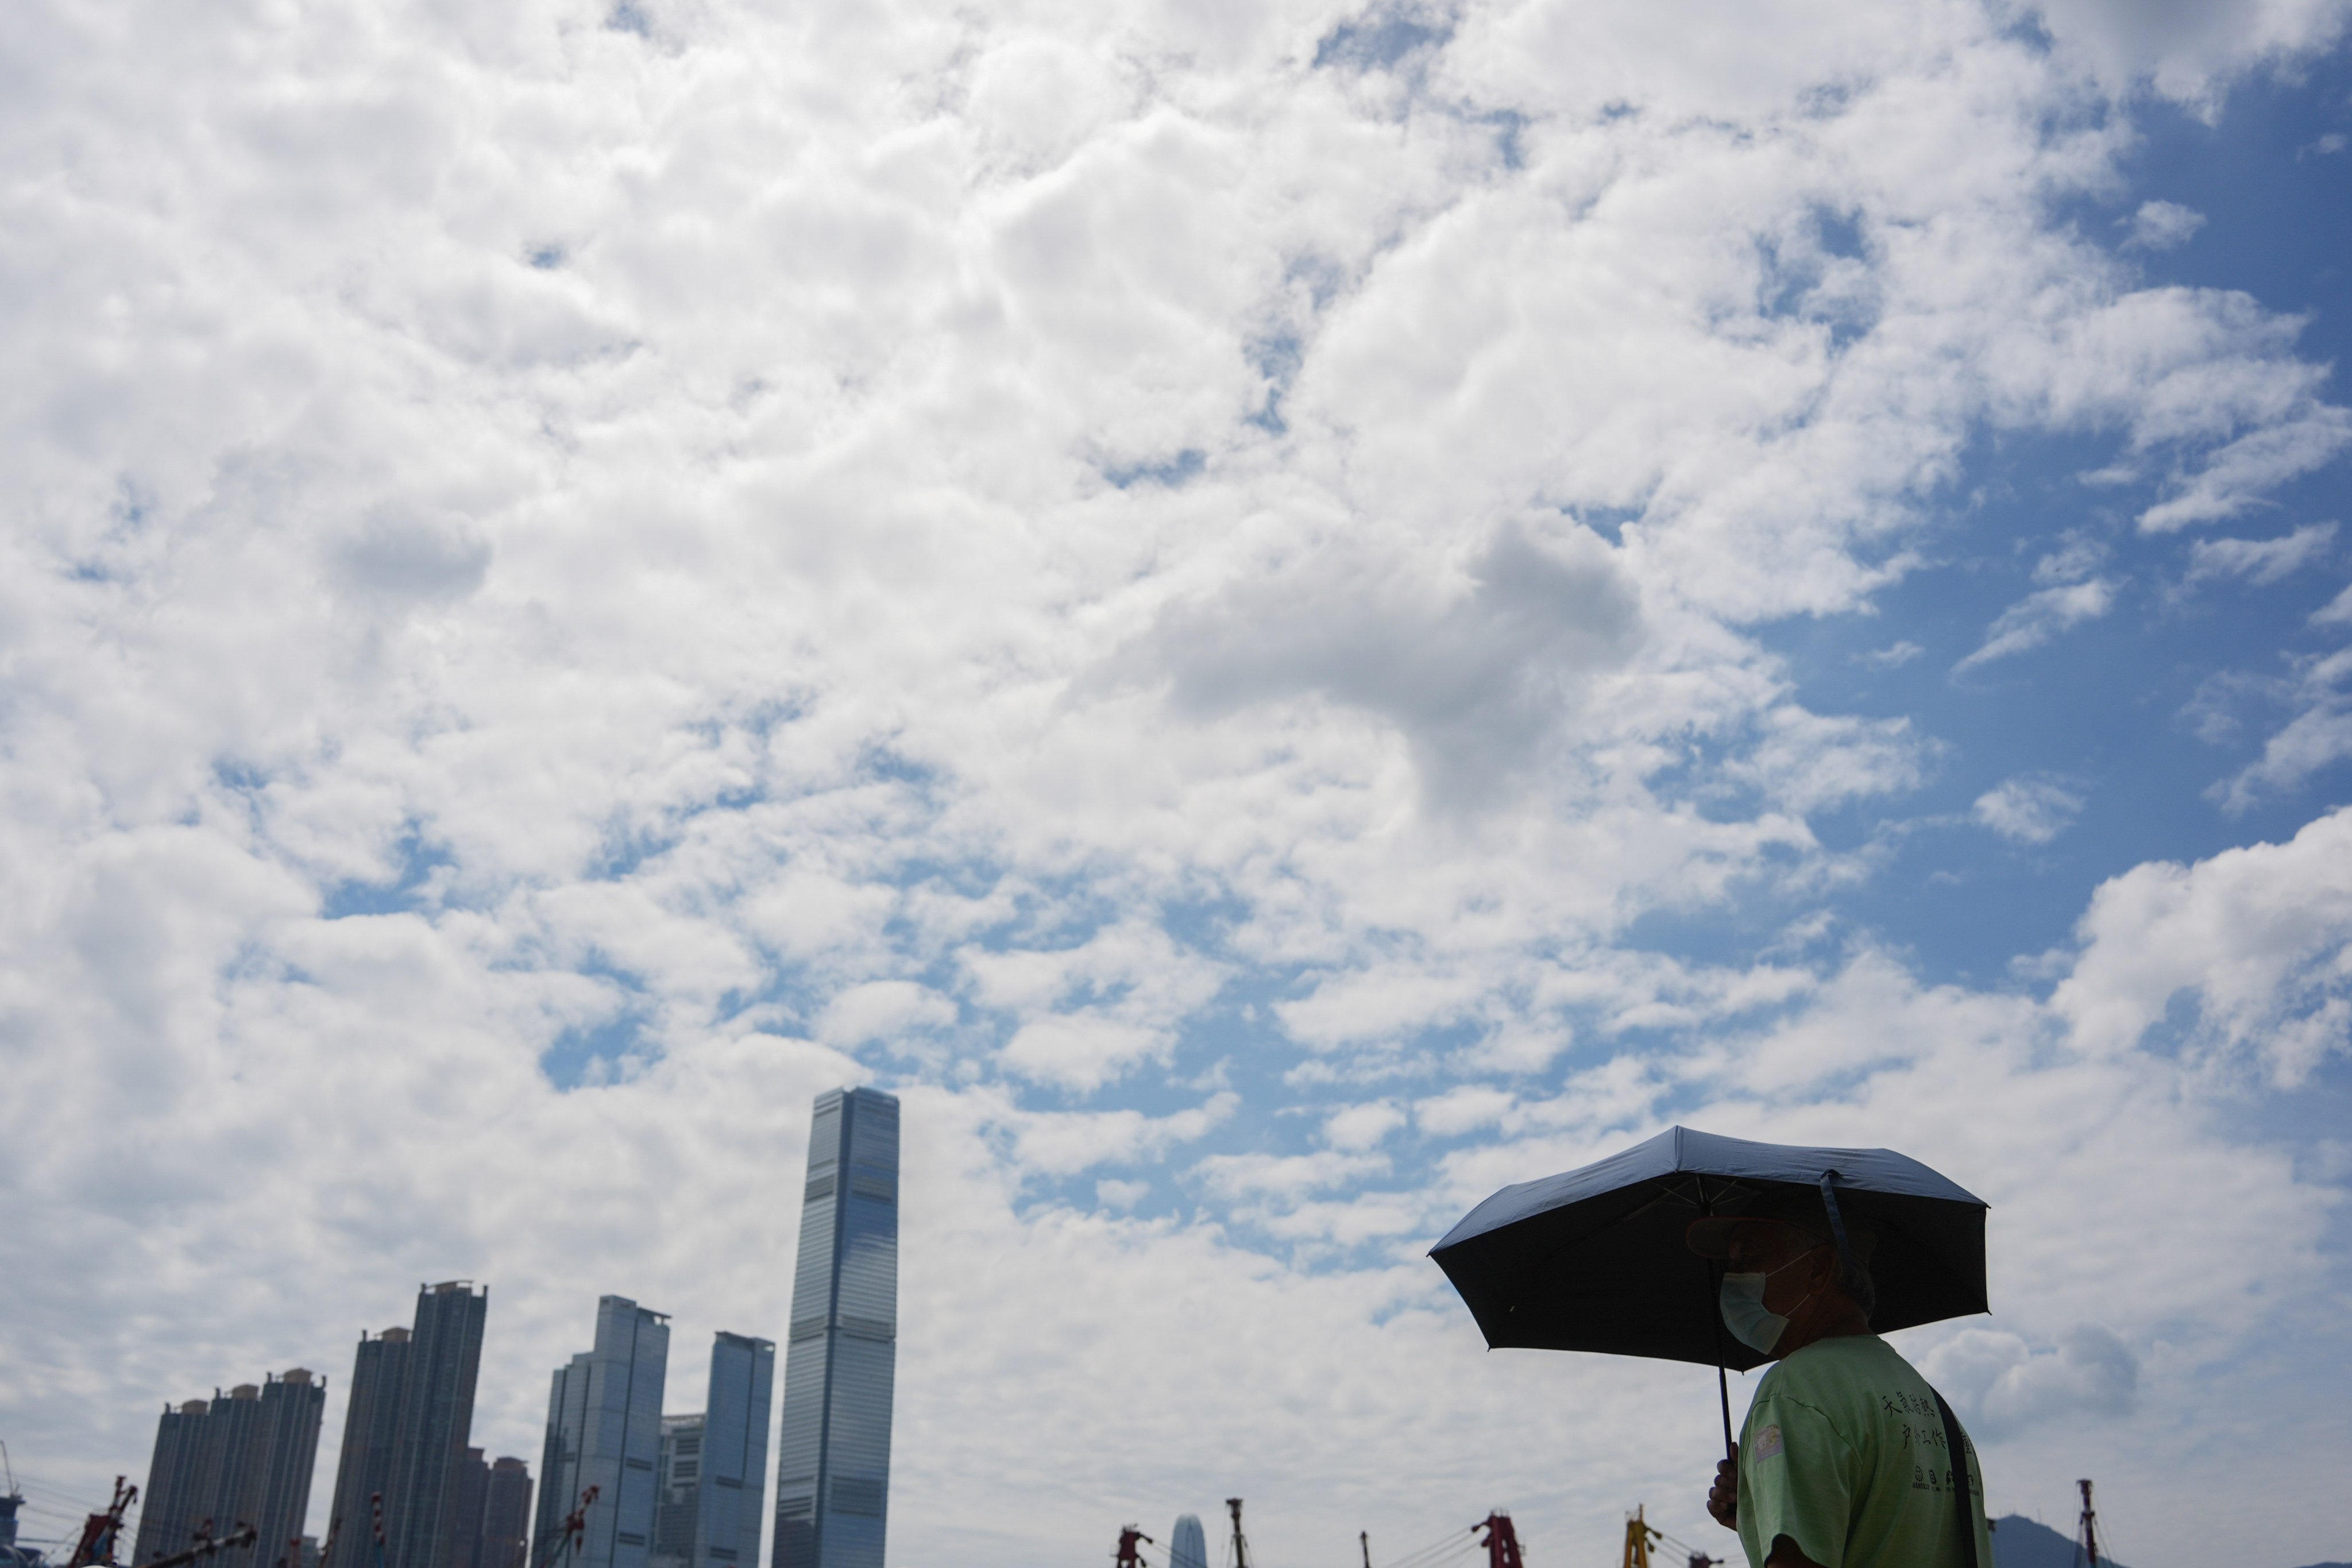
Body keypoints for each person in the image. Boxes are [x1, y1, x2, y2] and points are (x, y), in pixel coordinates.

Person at [1687, 1192, 1993, 1568]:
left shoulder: (1795, 1389)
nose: (1732, 1279)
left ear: (1818, 1269)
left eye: (1749, 1257)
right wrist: (1763, 1513)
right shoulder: (1927, 1399)